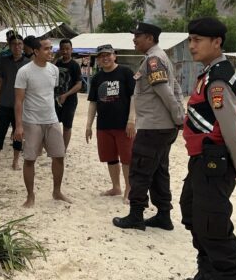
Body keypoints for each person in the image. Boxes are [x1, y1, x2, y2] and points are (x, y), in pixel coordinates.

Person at [180, 18, 236, 280]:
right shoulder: (209, 73)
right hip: (201, 160)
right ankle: (206, 272)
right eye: (190, 40)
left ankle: (226, 274)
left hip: (214, 162)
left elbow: (232, 128)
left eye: (197, 40)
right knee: (193, 213)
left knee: (213, 223)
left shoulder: (218, 80)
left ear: (217, 42)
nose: (191, 46)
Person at [113, 22, 184, 231]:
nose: (134, 39)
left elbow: (165, 91)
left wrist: (179, 116)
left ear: (150, 38)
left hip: (154, 126)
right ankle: (163, 215)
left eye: (138, 35)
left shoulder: (154, 60)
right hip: (162, 126)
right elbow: (176, 87)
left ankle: (136, 215)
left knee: (140, 170)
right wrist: (178, 117)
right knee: (159, 171)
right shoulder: (160, 57)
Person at [13, 36, 71, 208]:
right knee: (30, 159)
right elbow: (18, 101)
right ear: (36, 51)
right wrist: (19, 126)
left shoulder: (54, 70)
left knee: (59, 156)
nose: (50, 52)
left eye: (51, 48)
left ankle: (57, 191)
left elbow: (48, 94)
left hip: (52, 119)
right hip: (31, 122)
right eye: (46, 49)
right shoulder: (24, 72)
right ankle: (30, 196)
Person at [85, 44, 135, 202]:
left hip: (124, 124)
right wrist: (88, 125)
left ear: (114, 55)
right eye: (101, 56)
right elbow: (93, 102)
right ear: (98, 60)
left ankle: (129, 188)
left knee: (127, 158)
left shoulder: (125, 72)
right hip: (104, 125)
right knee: (110, 157)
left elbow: (135, 97)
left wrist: (132, 120)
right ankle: (116, 187)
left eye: (108, 55)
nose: (105, 58)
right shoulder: (97, 78)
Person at [0, 34, 29, 171]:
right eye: (14, 44)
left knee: (18, 134)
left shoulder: (28, 63)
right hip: (4, 103)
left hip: (21, 105)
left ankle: (15, 161)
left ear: (23, 46)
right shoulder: (4, 61)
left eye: (20, 44)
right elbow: (0, 81)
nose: (17, 46)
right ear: (10, 46)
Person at [54, 39, 82, 150]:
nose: (65, 51)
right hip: (56, 99)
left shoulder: (75, 65)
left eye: (67, 49)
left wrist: (66, 95)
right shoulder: (57, 63)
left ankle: (63, 149)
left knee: (67, 126)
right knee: (54, 124)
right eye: (63, 49)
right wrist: (55, 58)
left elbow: (79, 84)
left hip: (70, 100)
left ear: (71, 50)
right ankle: (55, 146)